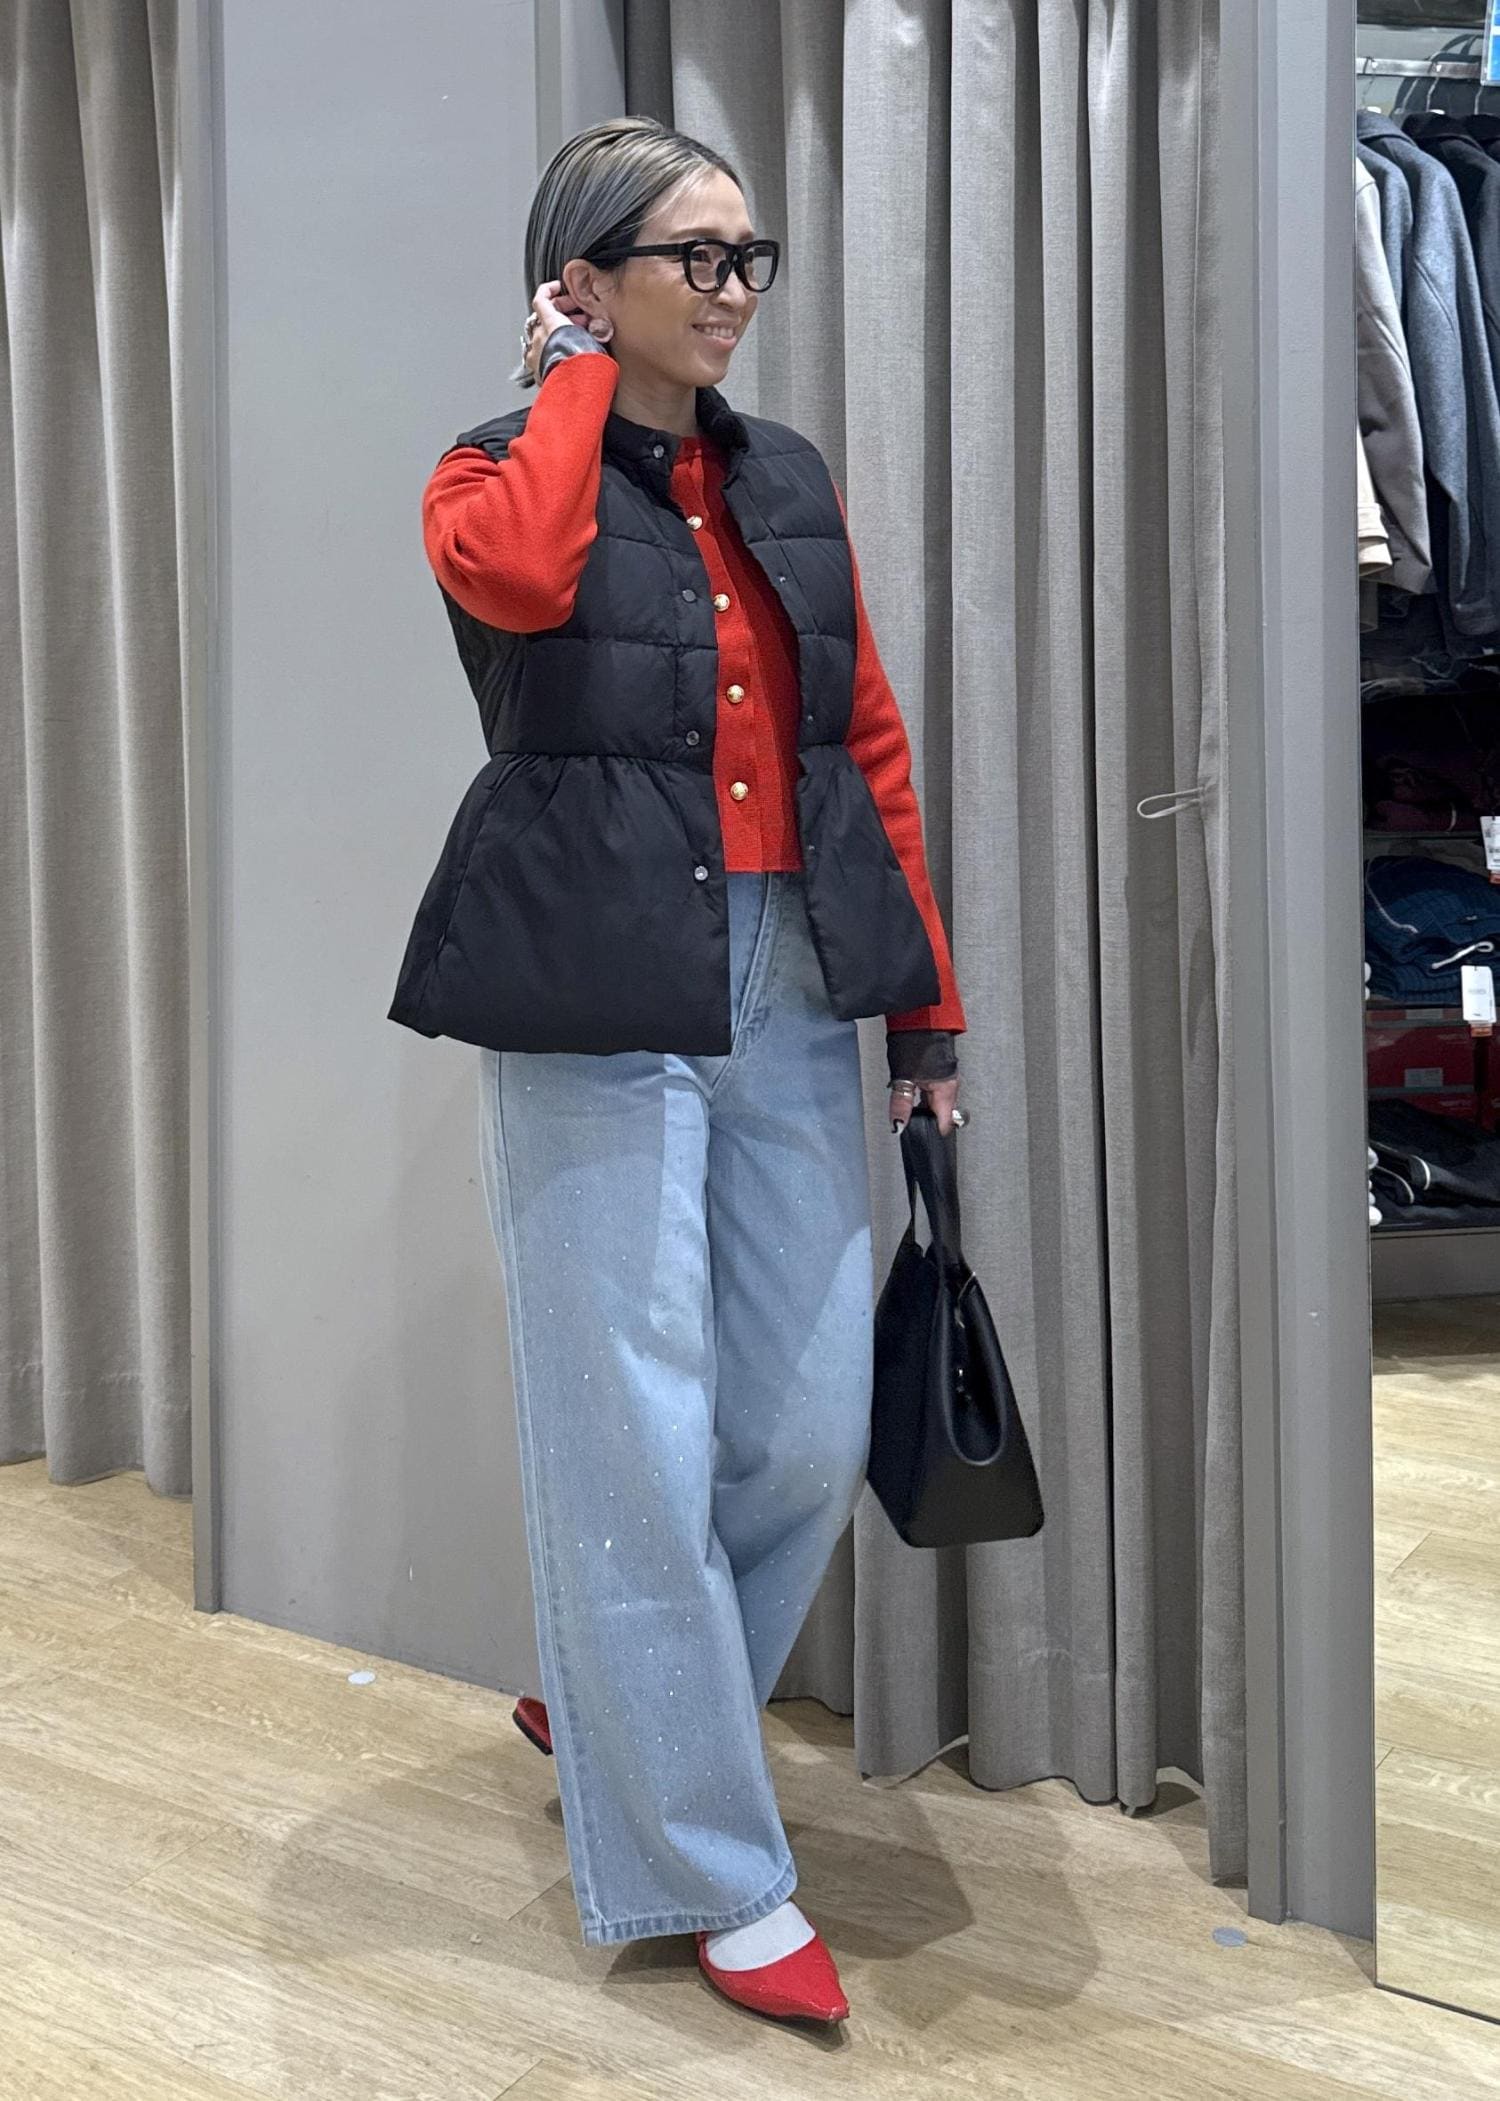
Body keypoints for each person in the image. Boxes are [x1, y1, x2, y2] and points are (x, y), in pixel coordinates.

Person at [399, 114, 969, 2027]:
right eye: (692, 258)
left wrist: (926, 1010)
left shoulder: (784, 476)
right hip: (589, 974)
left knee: (804, 1421)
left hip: (792, 970)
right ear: (583, 282)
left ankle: (614, 1683)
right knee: (626, 1426)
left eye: (748, 259)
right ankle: (714, 1869)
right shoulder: (491, 471)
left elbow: (862, 739)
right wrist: (568, 384)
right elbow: (518, 578)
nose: (733, 291)